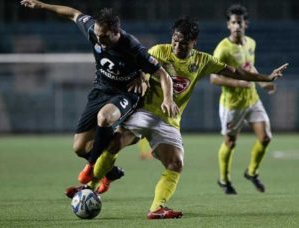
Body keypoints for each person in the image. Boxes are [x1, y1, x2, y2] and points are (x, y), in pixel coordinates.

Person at [66, 17, 287, 219]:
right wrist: (140, 79)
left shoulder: (202, 61)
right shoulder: (159, 52)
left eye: (183, 43)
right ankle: (89, 188)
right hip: (144, 112)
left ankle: (156, 208)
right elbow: (140, 67)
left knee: (176, 163)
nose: (177, 46)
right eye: (175, 40)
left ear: (194, 42)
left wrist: (265, 77)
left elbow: (236, 72)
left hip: (169, 121)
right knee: (113, 144)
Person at [20, 0, 179, 184]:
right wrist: (41, 6)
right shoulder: (93, 30)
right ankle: (110, 171)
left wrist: (167, 98)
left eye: (103, 37)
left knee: (104, 118)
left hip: (125, 93)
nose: (99, 40)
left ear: (116, 32)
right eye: (97, 35)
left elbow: (162, 73)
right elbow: (72, 13)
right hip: (100, 90)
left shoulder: (132, 47)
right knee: (80, 148)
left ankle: (92, 167)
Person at [210, 4, 278, 194]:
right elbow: (213, 77)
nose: (237, 26)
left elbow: (250, 68)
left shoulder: (251, 43)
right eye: (233, 22)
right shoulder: (223, 49)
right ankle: (224, 180)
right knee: (230, 143)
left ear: (245, 23)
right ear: (228, 25)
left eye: (239, 22)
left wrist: (264, 84)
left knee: (265, 138)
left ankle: (252, 172)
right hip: (232, 104)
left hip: (252, 99)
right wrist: (238, 83)